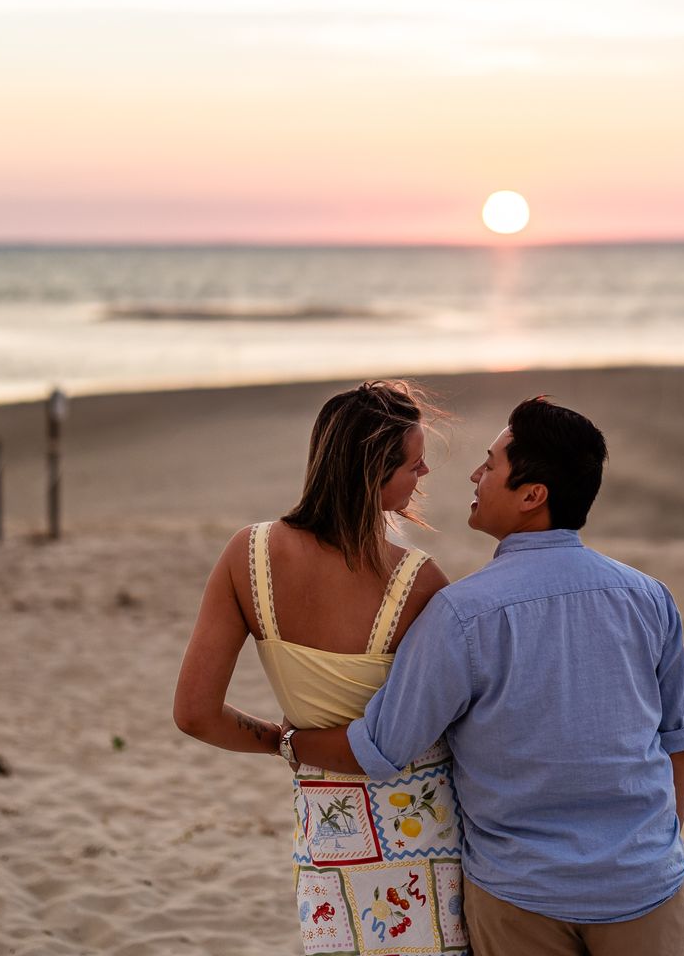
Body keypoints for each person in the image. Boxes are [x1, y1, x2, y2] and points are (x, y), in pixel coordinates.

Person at [287, 397, 684, 956]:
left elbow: (384, 746)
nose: (475, 475)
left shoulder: (462, 614)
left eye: (492, 464)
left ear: (533, 496)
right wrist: (654, 848)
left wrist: (287, 741)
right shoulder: (649, 598)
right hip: (648, 888)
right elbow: (679, 740)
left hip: (521, 900)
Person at [173, 380, 470, 954]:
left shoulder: (248, 556)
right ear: (370, 471)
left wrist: (285, 742)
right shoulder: (415, 580)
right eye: (413, 462)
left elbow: (194, 715)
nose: (426, 472)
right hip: (425, 831)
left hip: (330, 832)